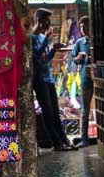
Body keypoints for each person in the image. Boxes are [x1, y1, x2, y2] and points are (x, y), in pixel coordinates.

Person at [31, 8, 74, 151]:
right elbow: (36, 56)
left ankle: (64, 140)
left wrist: (54, 49)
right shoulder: (32, 38)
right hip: (39, 80)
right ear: (39, 21)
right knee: (48, 111)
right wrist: (46, 40)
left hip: (48, 79)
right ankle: (56, 143)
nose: (49, 23)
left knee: (55, 111)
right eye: (46, 20)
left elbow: (45, 59)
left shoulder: (42, 38)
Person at [71, 16, 94, 146]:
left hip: (99, 77)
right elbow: (73, 60)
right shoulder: (80, 43)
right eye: (81, 27)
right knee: (85, 110)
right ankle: (84, 138)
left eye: (86, 26)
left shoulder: (97, 40)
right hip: (86, 79)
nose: (84, 29)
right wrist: (78, 58)